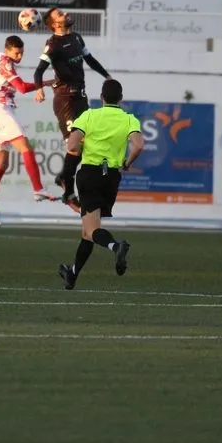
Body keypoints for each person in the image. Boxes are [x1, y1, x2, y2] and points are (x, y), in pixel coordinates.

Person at [56, 79, 144, 290]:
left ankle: (115, 246)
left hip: (90, 174)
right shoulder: (129, 119)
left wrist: (80, 149)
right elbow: (138, 145)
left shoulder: (89, 115)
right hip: (111, 178)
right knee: (87, 232)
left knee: (92, 230)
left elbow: (72, 145)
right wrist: (128, 162)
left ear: (102, 97)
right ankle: (72, 274)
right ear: (120, 99)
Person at [32, 8, 112, 206]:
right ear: (55, 24)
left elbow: (90, 60)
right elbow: (38, 71)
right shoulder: (53, 44)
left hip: (80, 97)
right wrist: (39, 89)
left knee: (85, 145)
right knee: (76, 144)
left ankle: (64, 180)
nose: (66, 14)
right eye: (60, 14)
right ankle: (68, 191)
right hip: (65, 100)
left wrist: (107, 76)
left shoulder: (76, 38)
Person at [0, 35, 59, 226]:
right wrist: (46, 83)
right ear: (7, 50)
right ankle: (38, 189)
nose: (20, 56)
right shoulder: (5, 62)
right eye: (17, 53)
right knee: (25, 147)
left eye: (22, 53)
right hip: (0, 110)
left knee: (1, 164)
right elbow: (21, 88)